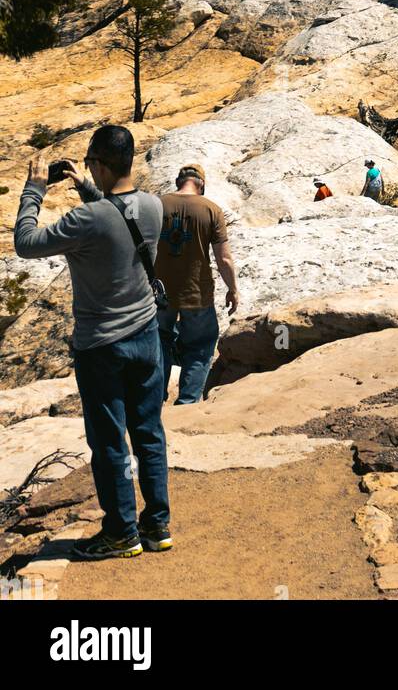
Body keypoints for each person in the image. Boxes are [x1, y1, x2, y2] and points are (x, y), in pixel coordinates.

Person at [14, 126, 170, 561]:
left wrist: (33, 192)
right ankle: (157, 526)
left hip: (102, 346)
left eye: (89, 164)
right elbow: (118, 216)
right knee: (149, 433)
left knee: (109, 443)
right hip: (146, 336)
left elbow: (25, 244)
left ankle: (121, 533)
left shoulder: (85, 221)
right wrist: (87, 185)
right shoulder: (153, 206)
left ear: (100, 163)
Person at [156, 164, 238, 406]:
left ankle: (154, 398)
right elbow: (224, 259)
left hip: (159, 293)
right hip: (197, 293)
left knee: (159, 343)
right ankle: (187, 404)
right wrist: (233, 289)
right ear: (201, 184)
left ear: (177, 181)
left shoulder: (157, 205)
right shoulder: (211, 209)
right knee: (200, 347)